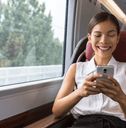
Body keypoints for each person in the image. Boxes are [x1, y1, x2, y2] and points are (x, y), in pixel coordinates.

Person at [52, 12, 126, 128]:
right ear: (90, 38)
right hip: (82, 124)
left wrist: (121, 97)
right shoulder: (76, 68)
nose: (104, 41)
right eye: (97, 35)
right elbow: (57, 111)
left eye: (111, 35)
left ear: (117, 39)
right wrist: (79, 92)